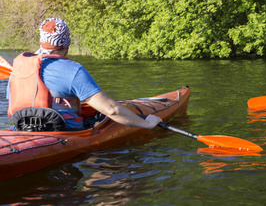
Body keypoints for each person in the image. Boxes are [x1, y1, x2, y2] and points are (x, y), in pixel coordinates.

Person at [7, 18, 162, 130]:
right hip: (65, 133)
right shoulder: (73, 70)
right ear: (66, 45)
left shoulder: (19, 67)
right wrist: (147, 124)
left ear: (41, 42)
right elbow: (112, 110)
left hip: (22, 130)